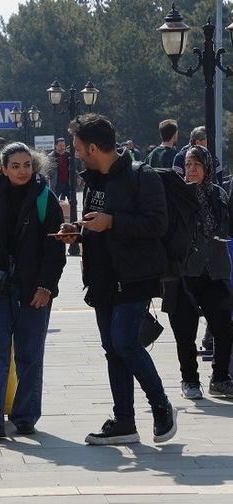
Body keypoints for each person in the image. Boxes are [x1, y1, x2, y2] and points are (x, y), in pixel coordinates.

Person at [56, 113, 177, 446]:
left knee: (125, 342)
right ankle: (124, 422)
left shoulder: (142, 176)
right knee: (112, 349)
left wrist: (112, 223)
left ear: (93, 147)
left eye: (80, 148)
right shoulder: (93, 178)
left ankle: (161, 404)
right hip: (102, 278)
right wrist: (78, 233)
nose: (77, 154)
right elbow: (98, 223)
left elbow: (156, 225)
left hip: (136, 276)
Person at [0, 143, 66, 438]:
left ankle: (24, 415)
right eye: (16, 166)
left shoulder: (46, 199)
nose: (22, 171)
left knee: (29, 354)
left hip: (33, 288)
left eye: (27, 165)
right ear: (3, 169)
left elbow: (55, 248)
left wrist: (47, 286)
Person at [164, 145, 233, 400]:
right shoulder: (175, 195)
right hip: (183, 272)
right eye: (188, 165)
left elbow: (223, 227)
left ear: (207, 168)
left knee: (223, 327)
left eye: (197, 165)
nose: (192, 170)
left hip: (214, 270)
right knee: (185, 330)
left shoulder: (218, 194)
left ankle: (221, 378)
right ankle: (190, 380)